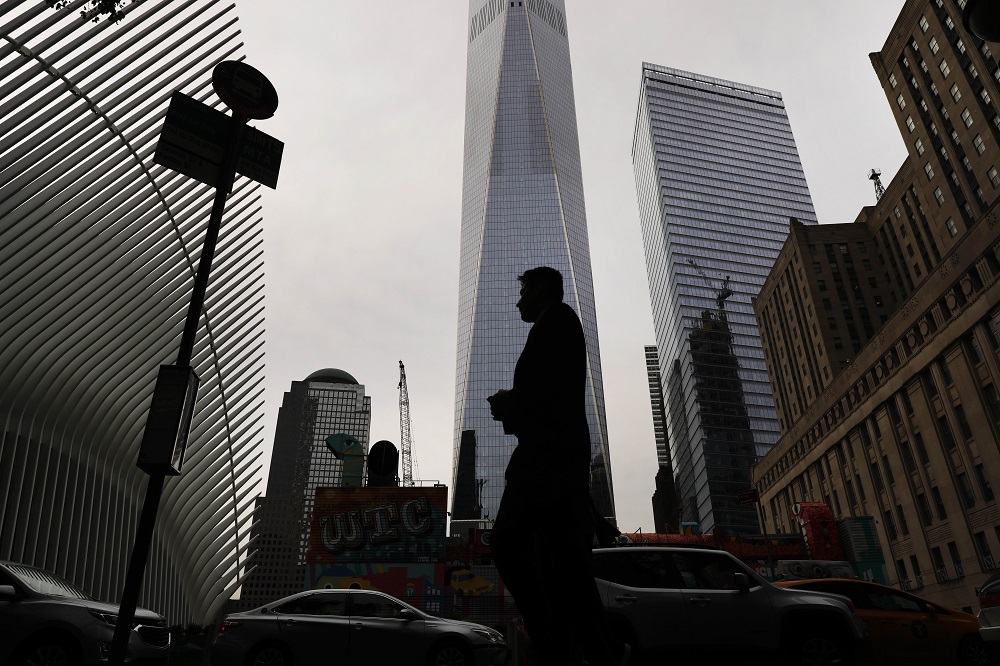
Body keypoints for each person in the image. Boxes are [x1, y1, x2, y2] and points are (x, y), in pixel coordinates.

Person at [488, 266, 628, 666]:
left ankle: (549, 638)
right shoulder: (555, 325)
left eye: (524, 292)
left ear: (542, 291)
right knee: (569, 573)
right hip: (559, 464)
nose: (518, 302)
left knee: (507, 542)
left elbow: (547, 398)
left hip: (547, 462)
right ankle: (602, 654)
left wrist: (509, 403)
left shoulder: (557, 321)